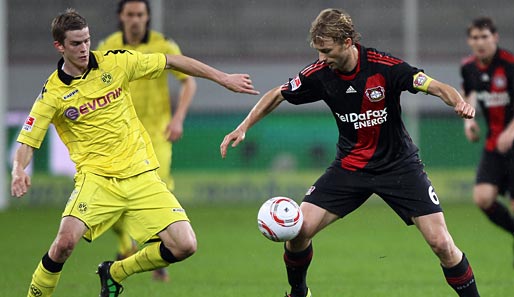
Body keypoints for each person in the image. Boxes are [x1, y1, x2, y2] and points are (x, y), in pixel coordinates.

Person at [220, 8, 480, 297]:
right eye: (318, 51)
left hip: (399, 167)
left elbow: (435, 86)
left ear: (347, 42)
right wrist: (243, 126)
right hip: (350, 167)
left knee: (442, 243)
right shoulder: (320, 73)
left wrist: (458, 102)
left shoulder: (384, 67)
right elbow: (277, 94)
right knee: (298, 232)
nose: (322, 58)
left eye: (327, 50)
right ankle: (298, 293)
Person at [11, 8, 258, 297]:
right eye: (76, 43)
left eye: (87, 40)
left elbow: (172, 61)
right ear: (59, 46)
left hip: (141, 174)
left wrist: (222, 78)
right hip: (97, 180)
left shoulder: (116, 63)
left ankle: (115, 272)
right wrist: (18, 169)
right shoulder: (51, 94)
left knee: (185, 245)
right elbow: (28, 140)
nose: (84, 48)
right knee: (64, 244)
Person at [97, 0, 197, 282]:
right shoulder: (109, 45)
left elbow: (188, 81)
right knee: (109, 198)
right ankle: (125, 247)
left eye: (140, 14)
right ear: (121, 16)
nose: (135, 19)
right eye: (130, 14)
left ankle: (160, 250)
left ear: (147, 17)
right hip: (119, 137)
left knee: (159, 193)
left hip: (156, 135)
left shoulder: (163, 44)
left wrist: (178, 118)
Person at [461, 17, 514, 260]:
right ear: (469, 41)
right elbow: (469, 93)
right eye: (475, 37)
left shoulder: (510, 64)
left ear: (495, 37)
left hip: (512, 141)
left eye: (484, 37)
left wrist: (511, 131)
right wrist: (469, 122)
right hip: (494, 144)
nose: (480, 42)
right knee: (483, 198)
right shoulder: (469, 67)